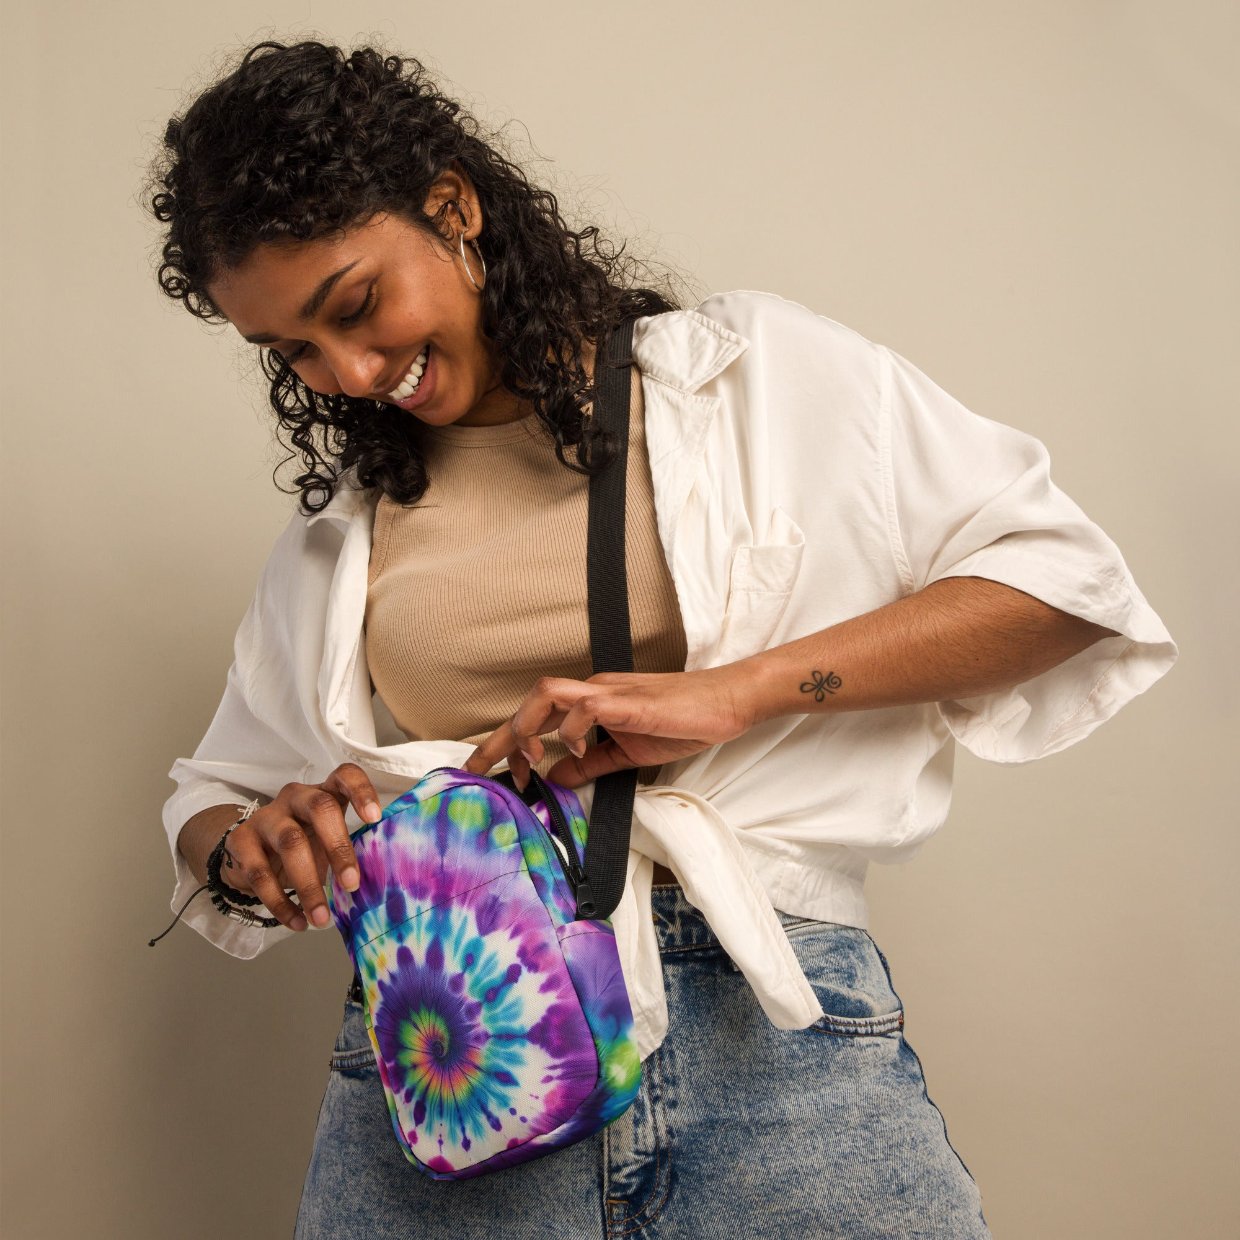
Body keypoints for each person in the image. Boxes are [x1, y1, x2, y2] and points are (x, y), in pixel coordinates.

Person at [149, 39, 1177, 1239]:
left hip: (770, 1040)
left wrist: (738, 692)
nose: (352, 372)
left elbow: (1062, 588)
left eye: (357, 306)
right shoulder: (344, 535)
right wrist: (256, 844)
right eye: (294, 352)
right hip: (456, 1061)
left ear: (454, 206)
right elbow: (210, 798)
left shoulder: (747, 381)